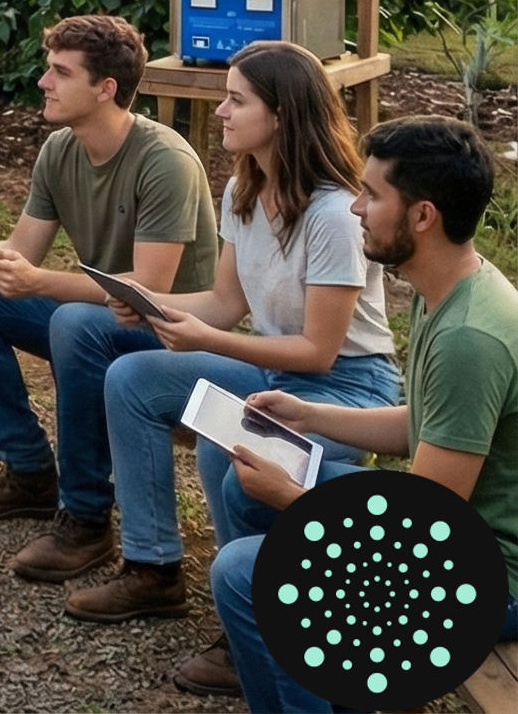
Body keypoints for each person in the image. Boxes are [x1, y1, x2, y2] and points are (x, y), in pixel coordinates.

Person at [69, 40, 399, 630]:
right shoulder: (243, 193)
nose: (220, 111)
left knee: (232, 447)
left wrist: (204, 339)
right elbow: (223, 305)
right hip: (275, 375)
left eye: (235, 100)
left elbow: (318, 352)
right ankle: (153, 569)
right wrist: (148, 305)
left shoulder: (333, 214)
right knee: (133, 378)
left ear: (281, 116)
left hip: (348, 388)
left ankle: (261, 610)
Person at [209, 116, 518, 712]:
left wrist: (293, 499)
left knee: (247, 572)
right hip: (455, 534)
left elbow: (428, 532)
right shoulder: (452, 288)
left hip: (490, 578)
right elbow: (420, 426)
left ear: (422, 216)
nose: (355, 209)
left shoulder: (469, 338)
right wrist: (310, 415)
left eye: (373, 195)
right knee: (248, 486)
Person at [0, 14, 216, 588]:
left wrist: (37, 282)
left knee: (74, 323)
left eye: (61, 72)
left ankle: (86, 517)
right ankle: (30, 473)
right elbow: (22, 250)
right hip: (96, 318)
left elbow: (150, 288)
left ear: (105, 89)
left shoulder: (165, 161)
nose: (44, 82)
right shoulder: (61, 150)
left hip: (170, 335)